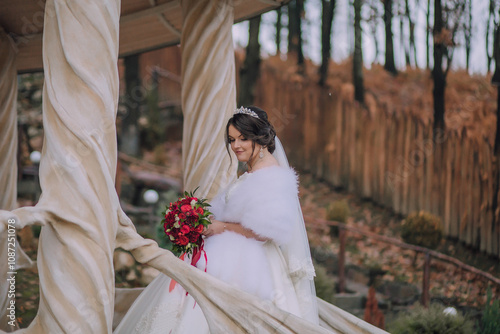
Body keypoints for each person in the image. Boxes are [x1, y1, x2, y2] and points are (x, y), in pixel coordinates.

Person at [113, 106, 318, 333]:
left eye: (243, 138)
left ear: (260, 138)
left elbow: (266, 231)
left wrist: (221, 227)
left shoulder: (270, 176)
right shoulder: (254, 171)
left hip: (249, 264)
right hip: (227, 252)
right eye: (232, 139)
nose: (236, 145)